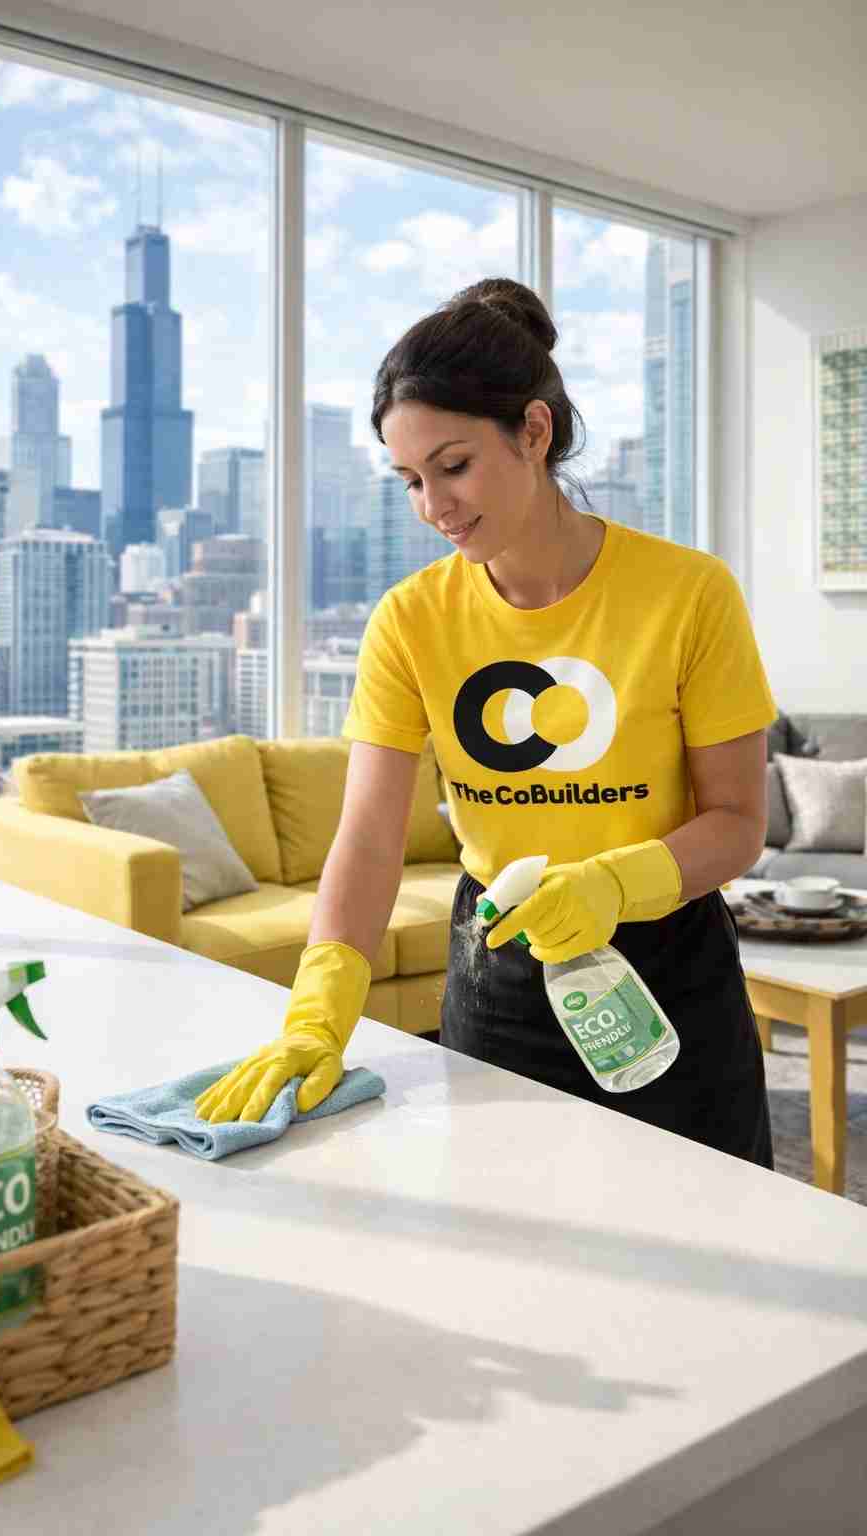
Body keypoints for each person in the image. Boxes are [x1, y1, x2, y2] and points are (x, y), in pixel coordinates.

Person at [196, 276, 776, 1170]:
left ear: (534, 432)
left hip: (668, 969)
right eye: (410, 481)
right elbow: (369, 835)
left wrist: (615, 886)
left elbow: (739, 822)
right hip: (497, 973)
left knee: (717, 1246)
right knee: (507, 1247)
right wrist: (318, 1008)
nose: (434, 506)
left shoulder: (687, 593)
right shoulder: (411, 619)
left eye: (454, 466)